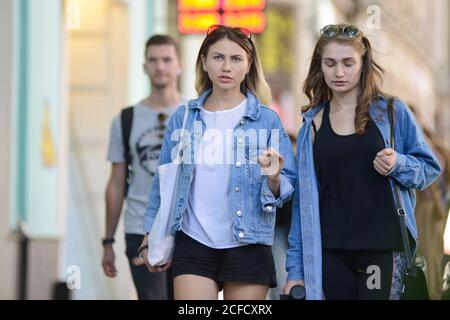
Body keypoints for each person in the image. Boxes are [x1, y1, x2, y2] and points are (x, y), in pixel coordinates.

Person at [284, 24, 442, 300]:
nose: (339, 72)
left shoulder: (392, 112)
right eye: (330, 63)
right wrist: (296, 270)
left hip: (382, 249)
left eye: (348, 63)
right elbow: (303, 205)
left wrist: (398, 164)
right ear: (319, 66)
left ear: (363, 63)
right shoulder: (312, 123)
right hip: (329, 252)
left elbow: (430, 168)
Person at [139, 24, 296, 300]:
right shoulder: (184, 117)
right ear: (204, 62)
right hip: (194, 243)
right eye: (218, 57)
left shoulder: (267, 120)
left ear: (248, 66)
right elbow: (164, 182)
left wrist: (273, 177)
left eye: (236, 59)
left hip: (249, 244)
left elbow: (286, 188)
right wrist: (148, 234)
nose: (226, 66)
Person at [102, 34, 185, 300]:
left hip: (187, 228)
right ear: (144, 67)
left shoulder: (194, 114)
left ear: (178, 65)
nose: (160, 66)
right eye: (153, 60)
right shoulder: (126, 120)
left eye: (166, 59)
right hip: (139, 228)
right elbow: (116, 183)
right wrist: (108, 241)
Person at [409, 105, 450, 299]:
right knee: (430, 263)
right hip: (433, 212)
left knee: (428, 262)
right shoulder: (431, 144)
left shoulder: (424, 145)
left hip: (426, 212)